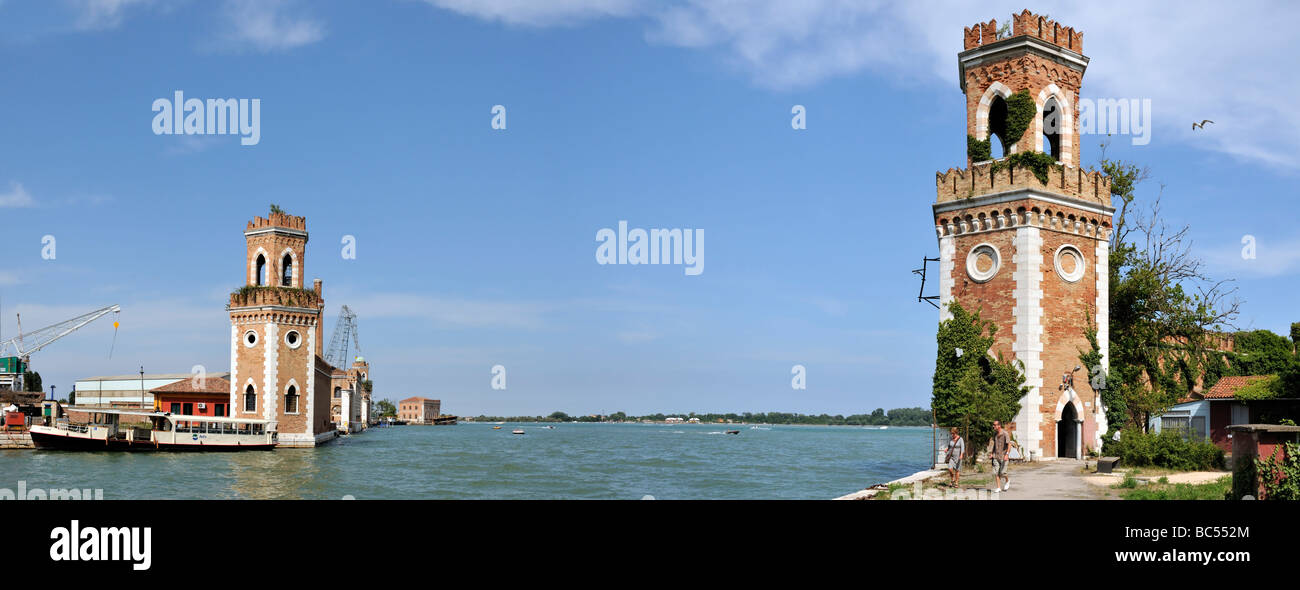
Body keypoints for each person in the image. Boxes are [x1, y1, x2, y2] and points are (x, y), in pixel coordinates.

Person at [987, 420, 1018, 492]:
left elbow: (1009, 444)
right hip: (996, 456)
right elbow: (994, 445)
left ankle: (1007, 480)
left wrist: (1007, 454)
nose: (993, 426)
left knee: (1003, 472)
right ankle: (998, 487)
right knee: (996, 472)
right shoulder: (995, 434)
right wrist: (992, 453)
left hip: (1003, 456)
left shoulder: (1005, 434)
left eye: (995, 425)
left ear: (999, 426)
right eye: (993, 425)